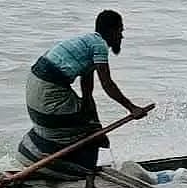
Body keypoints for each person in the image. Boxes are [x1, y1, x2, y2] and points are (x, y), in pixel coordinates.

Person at [18, 10, 149, 176]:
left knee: (92, 128)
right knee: (93, 136)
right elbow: (107, 84)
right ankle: (89, 175)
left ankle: (93, 169)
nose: (121, 37)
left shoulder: (88, 44)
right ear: (111, 31)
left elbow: (87, 90)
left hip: (36, 86)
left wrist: (93, 117)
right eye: (120, 31)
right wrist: (132, 108)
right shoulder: (100, 46)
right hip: (49, 91)